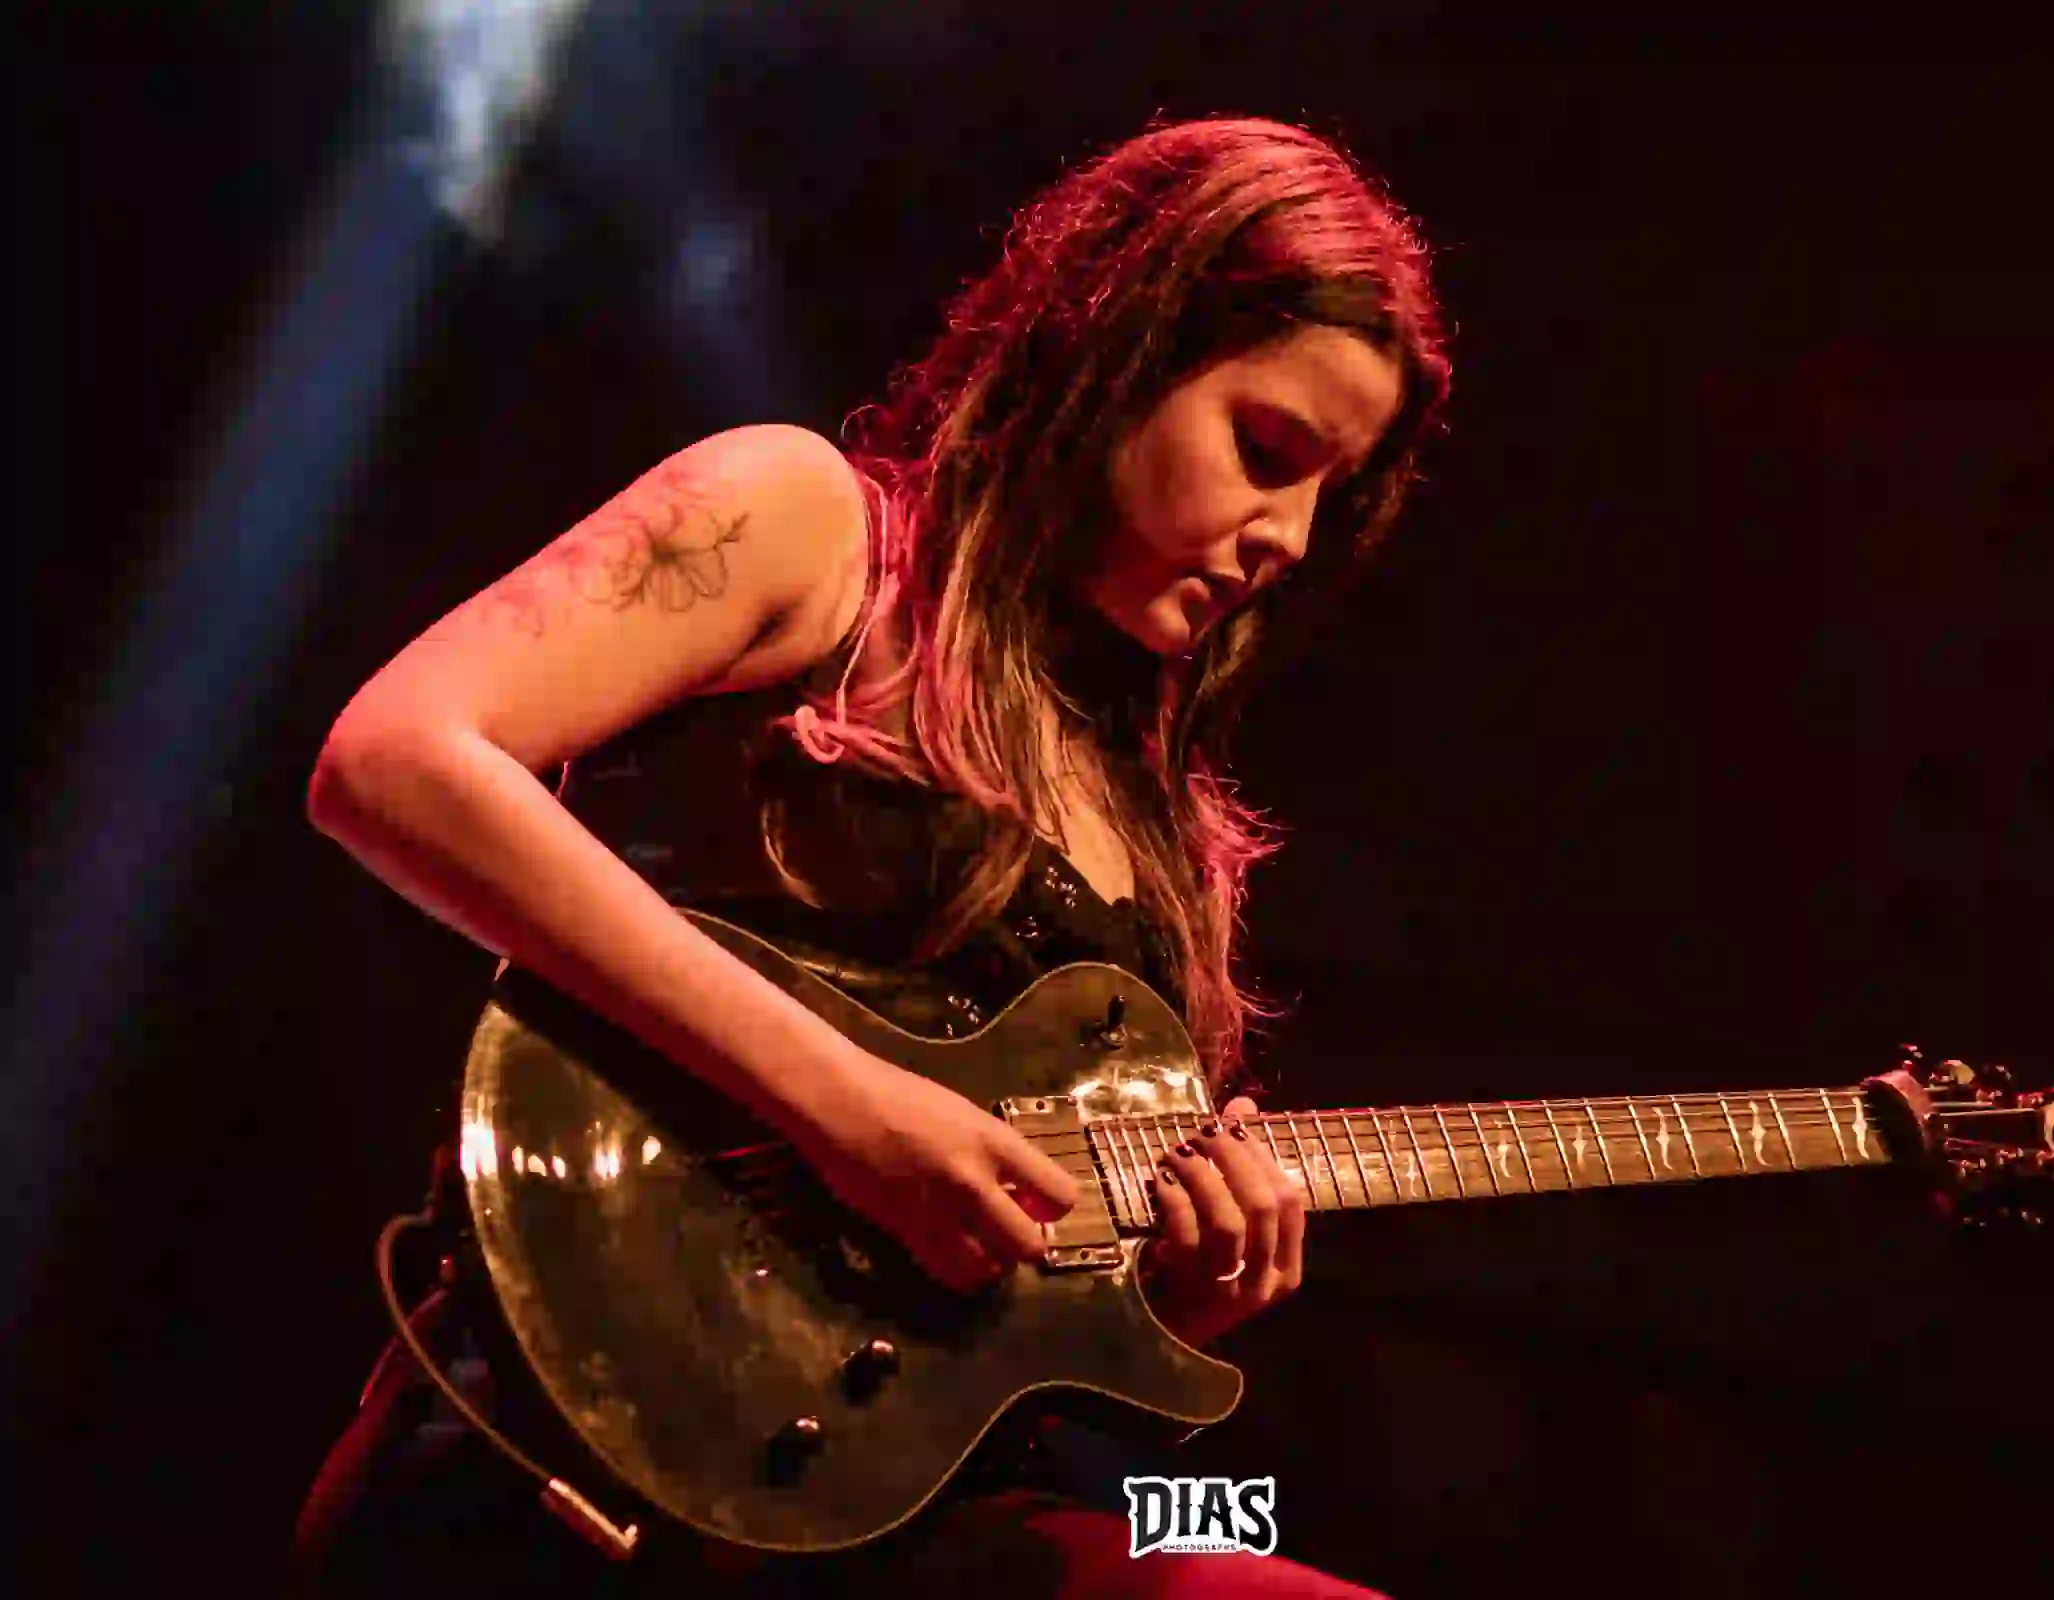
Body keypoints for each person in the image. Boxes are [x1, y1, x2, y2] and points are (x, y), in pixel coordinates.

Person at [291, 115, 1451, 1596]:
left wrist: (1168, 1303)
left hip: (902, 1518)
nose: (1286, 534)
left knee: (1258, 1549)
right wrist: (850, 1106)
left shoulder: (1170, 832)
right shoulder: (810, 529)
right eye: (1267, 451)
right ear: (1121, 350)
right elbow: (393, 758)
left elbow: (1024, 1346)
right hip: (561, 1463)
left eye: (1328, 496)